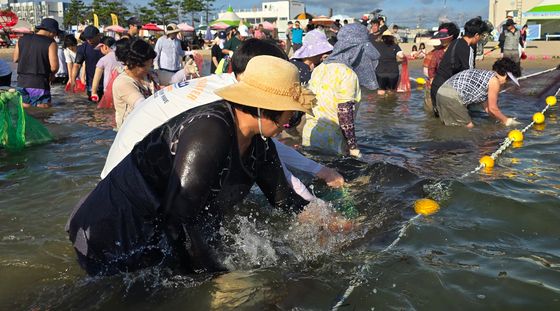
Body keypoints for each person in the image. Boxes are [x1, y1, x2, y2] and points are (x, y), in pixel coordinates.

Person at [66, 55, 342, 276]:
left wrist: (329, 221)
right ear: (264, 107)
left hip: (160, 228)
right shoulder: (209, 131)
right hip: (112, 230)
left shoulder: (260, 144)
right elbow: (180, 221)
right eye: (291, 115)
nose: (290, 123)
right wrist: (215, 279)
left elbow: (285, 199)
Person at [101, 39, 344, 196]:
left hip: (129, 173)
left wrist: (317, 170)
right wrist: (316, 196)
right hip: (129, 184)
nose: (285, 123)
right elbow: (272, 157)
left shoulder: (228, 88)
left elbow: (267, 147)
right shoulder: (221, 108)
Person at [302, 23, 380, 157]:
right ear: (357, 50)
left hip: (310, 134)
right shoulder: (347, 74)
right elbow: (344, 114)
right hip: (333, 142)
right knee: (339, 176)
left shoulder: (319, 69)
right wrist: (353, 147)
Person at [435, 58, 521, 128]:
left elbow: (487, 109)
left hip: (441, 93)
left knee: (450, 126)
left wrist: (499, 120)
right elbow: (493, 108)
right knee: (469, 127)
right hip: (452, 97)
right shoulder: (495, 81)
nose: (507, 82)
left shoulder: (485, 76)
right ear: (505, 75)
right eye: (509, 80)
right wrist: (506, 121)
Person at [430, 17, 490, 114]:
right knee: (466, 125)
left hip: (436, 88)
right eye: (481, 36)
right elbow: (470, 76)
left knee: (441, 122)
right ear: (476, 35)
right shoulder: (468, 49)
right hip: (446, 92)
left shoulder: (455, 42)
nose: (480, 39)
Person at [13, 18, 60, 108]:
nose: (55, 36)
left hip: (21, 82)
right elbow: (54, 66)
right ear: (52, 31)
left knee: (25, 111)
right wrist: (52, 74)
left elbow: (15, 59)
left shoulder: (22, 39)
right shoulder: (51, 43)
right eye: (55, 33)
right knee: (43, 113)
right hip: (39, 83)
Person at [112, 39, 157, 129]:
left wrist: (186, 71)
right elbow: (141, 104)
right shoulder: (123, 82)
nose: (151, 67)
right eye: (148, 65)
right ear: (136, 65)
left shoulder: (148, 75)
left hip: (150, 126)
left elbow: (171, 78)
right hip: (130, 133)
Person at [422, 25, 457, 113]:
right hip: (434, 85)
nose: (442, 40)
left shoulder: (456, 51)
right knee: (431, 112)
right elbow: (430, 69)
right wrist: (432, 78)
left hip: (449, 86)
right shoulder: (436, 52)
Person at [70, 25, 103, 100]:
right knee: (92, 107)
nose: (89, 40)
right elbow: (77, 65)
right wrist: (73, 80)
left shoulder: (106, 45)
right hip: (91, 84)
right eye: (87, 38)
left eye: (91, 38)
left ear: (98, 35)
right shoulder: (83, 48)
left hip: (107, 81)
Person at [90, 36, 121, 102]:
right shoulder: (122, 56)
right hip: (122, 88)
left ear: (105, 47)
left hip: (109, 90)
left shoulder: (103, 60)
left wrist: (94, 93)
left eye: (100, 48)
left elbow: (96, 78)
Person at [373, 30, 404, 95]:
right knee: (391, 92)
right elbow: (401, 56)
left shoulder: (377, 45)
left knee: (381, 91)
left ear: (382, 37)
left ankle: (381, 104)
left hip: (380, 71)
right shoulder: (395, 45)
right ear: (392, 37)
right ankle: (390, 103)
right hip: (393, 72)